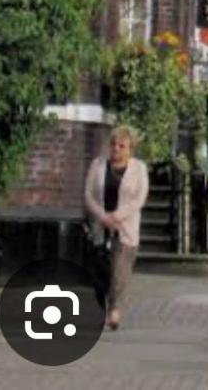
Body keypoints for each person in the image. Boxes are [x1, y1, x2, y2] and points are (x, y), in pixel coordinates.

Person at [84, 125, 149, 331]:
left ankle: (115, 310)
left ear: (130, 149)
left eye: (122, 146)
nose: (116, 149)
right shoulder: (98, 165)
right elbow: (89, 195)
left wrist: (118, 216)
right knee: (100, 270)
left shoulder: (139, 169)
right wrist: (102, 216)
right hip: (101, 226)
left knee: (119, 270)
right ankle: (102, 306)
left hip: (126, 227)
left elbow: (139, 198)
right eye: (113, 145)